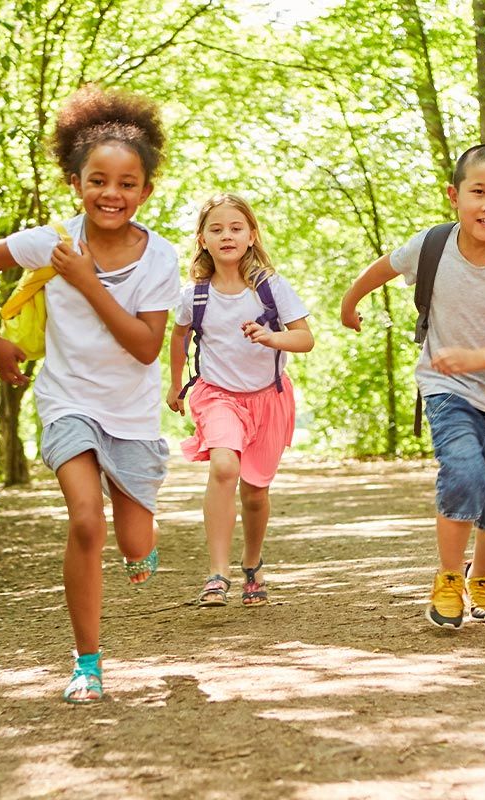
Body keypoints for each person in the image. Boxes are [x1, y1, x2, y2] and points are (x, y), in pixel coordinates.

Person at [0, 86, 179, 704]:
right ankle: (88, 662)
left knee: (134, 539)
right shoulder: (49, 241)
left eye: (127, 184)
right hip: (67, 401)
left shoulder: (161, 258)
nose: (112, 194)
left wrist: (86, 280)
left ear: (146, 191)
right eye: (98, 180)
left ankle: (143, 546)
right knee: (83, 520)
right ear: (76, 182)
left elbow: (145, 347)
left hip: (130, 413)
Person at [340, 144, 485, 630]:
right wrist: (351, 301)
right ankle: (450, 578)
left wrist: (476, 358)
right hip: (445, 388)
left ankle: (481, 579)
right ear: (455, 196)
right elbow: (384, 267)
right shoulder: (432, 244)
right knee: (464, 473)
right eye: (478, 192)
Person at [167, 194, 313, 609]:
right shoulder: (193, 294)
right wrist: (175, 384)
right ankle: (217, 573)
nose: (226, 235)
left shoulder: (271, 287)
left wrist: (272, 337)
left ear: (251, 236)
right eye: (216, 229)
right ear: (202, 239)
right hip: (216, 395)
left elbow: (305, 338)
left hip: (268, 399)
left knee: (254, 493)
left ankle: (252, 563)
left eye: (235, 228)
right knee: (224, 464)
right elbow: (179, 335)